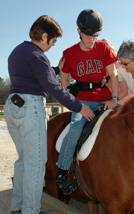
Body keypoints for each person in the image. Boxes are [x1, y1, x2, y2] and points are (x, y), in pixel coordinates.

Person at [4, 15, 94, 214]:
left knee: (23, 160)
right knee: (36, 164)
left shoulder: (19, 51)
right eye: (52, 41)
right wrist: (80, 107)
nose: (52, 46)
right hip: (30, 107)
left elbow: (36, 75)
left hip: (13, 105)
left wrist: (56, 69)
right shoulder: (38, 56)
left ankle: (18, 207)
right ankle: (31, 210)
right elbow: (54, 88)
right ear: (44, 36)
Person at [56, 9, 118, 195]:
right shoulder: (69, 53)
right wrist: (73, 99)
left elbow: (113, 75)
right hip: (83, 100)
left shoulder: (103, 49)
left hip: (105, 98)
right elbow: (64, 80)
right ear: (79, 31)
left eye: (95, 35)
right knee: (75, 129)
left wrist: (114, 99)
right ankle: (62, 171)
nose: (92, 39)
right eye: (88, 35)